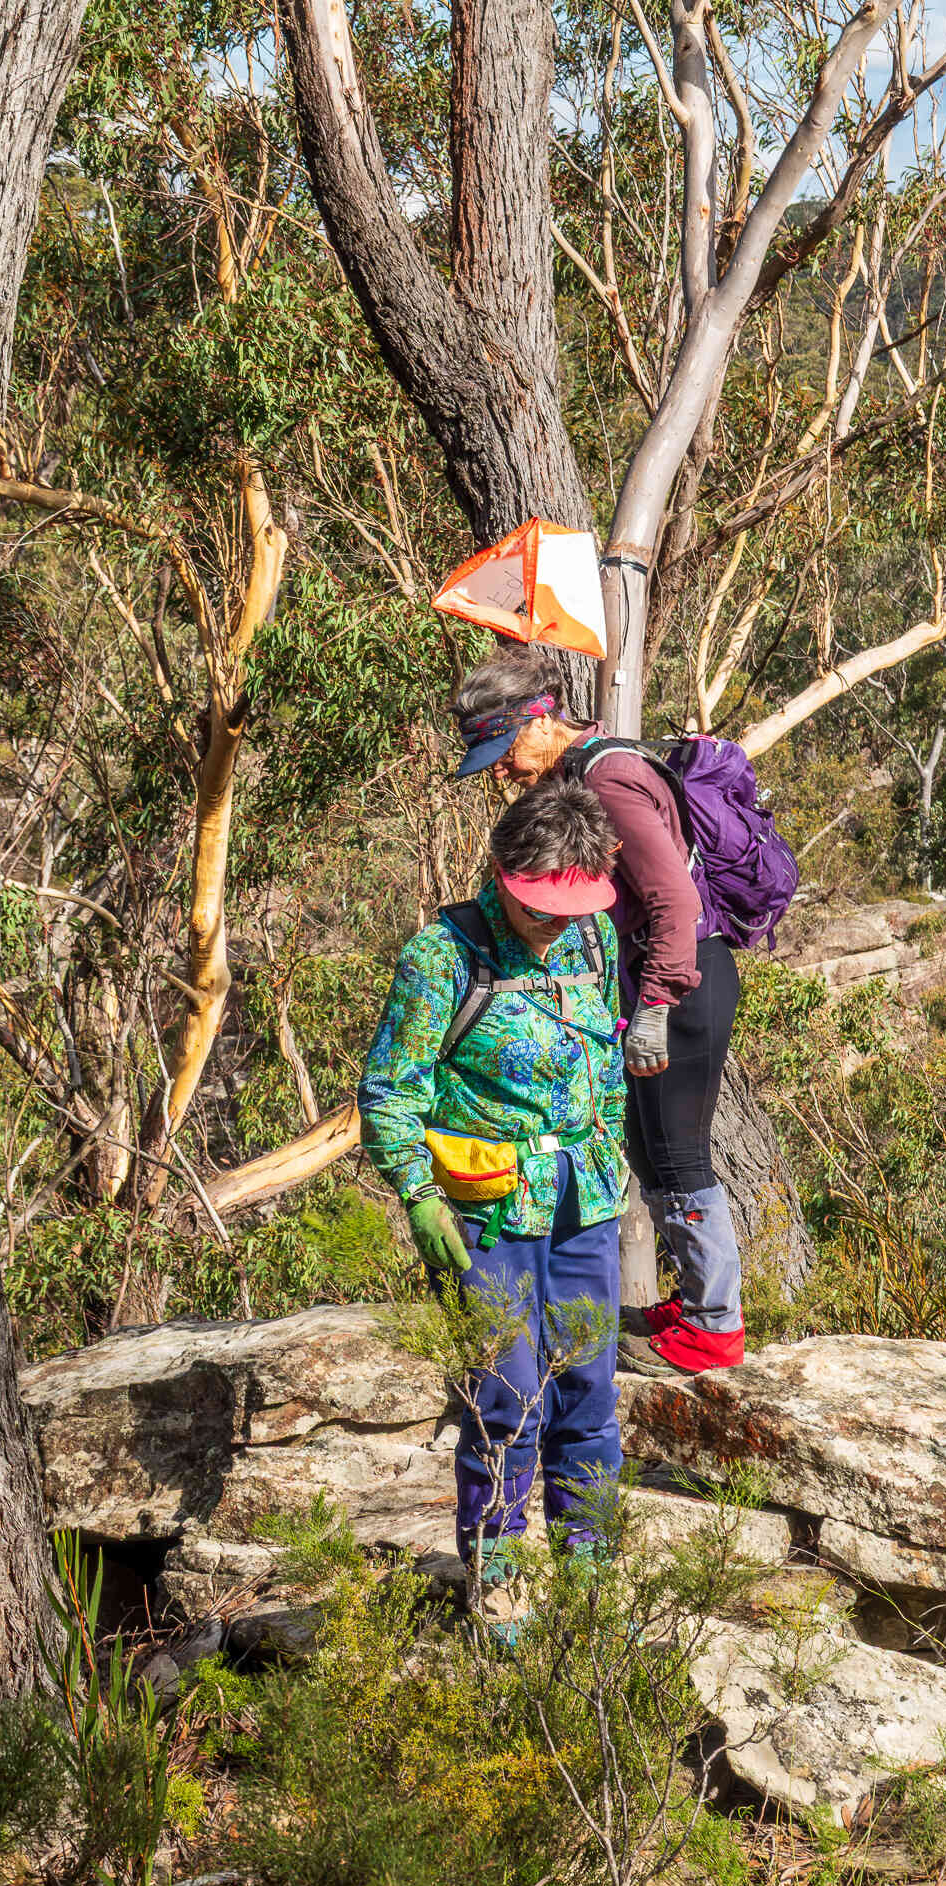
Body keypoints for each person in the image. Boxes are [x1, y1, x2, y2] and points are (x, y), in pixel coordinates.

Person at [358, 780, 626, 1616]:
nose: (555, 922)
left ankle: (589, 1582)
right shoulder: (443, 956)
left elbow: (609, 1069)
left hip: (585, 1203)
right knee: (504, 1402)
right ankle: (499, 1590)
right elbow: (390, 1090)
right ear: (504, 874)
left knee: (589, 1392)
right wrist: (418, 1195)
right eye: (540, 904)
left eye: (570, 906)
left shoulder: (595, 939)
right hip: (486, 1211)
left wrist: (613, 1149)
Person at [450, 646, 744, 1377]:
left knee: (678, 1152)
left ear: (538, 721)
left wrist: (656, 1005)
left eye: (502, 750)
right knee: (649, 1149)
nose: (499, 771)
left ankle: (716, 1327)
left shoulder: (608, 780)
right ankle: (694, 1302)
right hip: (654, 974)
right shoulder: (581, 772)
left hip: (683, 977)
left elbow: (675, 899)